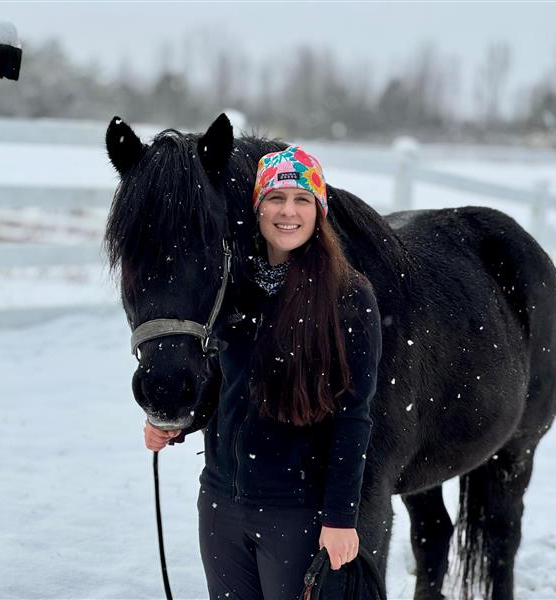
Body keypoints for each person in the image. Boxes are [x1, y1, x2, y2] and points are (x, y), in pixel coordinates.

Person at [144, 145, 382, 600]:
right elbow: (222, 385)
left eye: (302, 199)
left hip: (295, 512)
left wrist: (340, 518)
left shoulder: (349, 299)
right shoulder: (234, 289)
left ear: (319, 210)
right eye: (275, 197)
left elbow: (353, 419)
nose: (287, 211)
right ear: (257, 207)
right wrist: (178, 424)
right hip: (220, 505)